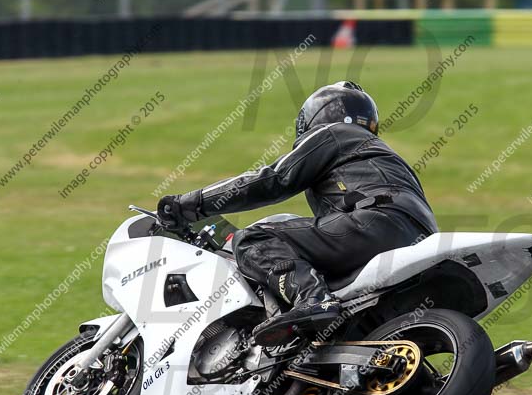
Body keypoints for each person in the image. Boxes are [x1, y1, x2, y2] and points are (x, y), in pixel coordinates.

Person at [158, 81, 438, 346]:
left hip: (375, 223)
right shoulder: (383, 156)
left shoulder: (334, 134)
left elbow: (271, 180)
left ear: (315, 118)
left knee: (254, 239)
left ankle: (312, 299)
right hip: (418, 237)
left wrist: (192, 203)